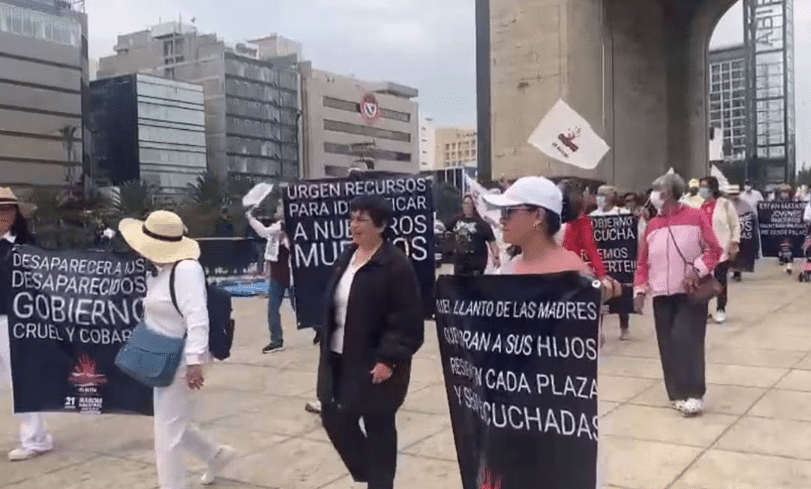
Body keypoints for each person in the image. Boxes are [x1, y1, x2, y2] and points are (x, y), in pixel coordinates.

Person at [119, 210, 236, 489]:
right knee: (172, 421)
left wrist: (195, 361)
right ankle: (216, 454)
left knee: (166, 431)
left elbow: (197, 317)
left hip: (182, 359)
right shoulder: (163, 270)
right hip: (162, 356)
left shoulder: (185, 270)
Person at [317, 196, 424, 489]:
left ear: (382, 225)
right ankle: (370, 475)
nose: (353, 225)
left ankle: (380, 483)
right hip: (338, 356)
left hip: (375, 361)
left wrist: (389, 359)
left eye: (361, 219)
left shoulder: (395, 265)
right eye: (351, 219)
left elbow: (407, 319)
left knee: (379, 426)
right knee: (333, 416)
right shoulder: (346, 257)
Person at [634, 173, 722, 417]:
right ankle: (676, 393)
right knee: (668, 344)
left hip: (689, 293)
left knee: (687, 340)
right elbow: (642, 262)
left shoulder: (695, 217)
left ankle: (694, 393)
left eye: (656, 189)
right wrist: (640, 290)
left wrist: (697, 269)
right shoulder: (652, 225)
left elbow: (714, 249)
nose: (652, 194)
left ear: (669, 193)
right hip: (661, 294)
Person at [0, 188, 55, 462]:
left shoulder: (25, 245)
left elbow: (43, 282)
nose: (2, 217)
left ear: (16, 215)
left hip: (14, 322)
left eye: (7, 211)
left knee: (20, 381)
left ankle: (36, 438)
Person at [246, 204, 293, 353]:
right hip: (276, 277)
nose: (278, 211)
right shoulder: (275, 229)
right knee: (272, 308)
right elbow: (263, 232)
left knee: (299, 309)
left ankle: (320, 330)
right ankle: (276, 340)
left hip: (292, 277)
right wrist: (251, 218)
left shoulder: (296, 230)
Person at [699, 177, 740, 324]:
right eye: (700, 186)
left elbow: (735, 225)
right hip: (703, 251)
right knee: (703, 282)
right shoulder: (698, 205)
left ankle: (720, 309)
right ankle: (703, 311)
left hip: (721, 249)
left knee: (720, 280)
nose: (701, 190)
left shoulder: (725, 204)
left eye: (704, 187)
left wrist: (734, 243)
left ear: (713, 188)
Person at [445, 195, 500, 275]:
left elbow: (492, 242)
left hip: (476, 266)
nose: (466, 206)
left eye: (468, 204)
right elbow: (444, 227)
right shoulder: (457, 220)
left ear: (473, 206)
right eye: (464, 204)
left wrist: (496, 257)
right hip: (459, 265)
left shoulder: (482, 224)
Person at [727, 185, 756, 282]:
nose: (733, 196)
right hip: (727, 232)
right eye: (732, 194)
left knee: (739, 253)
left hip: (741, 232)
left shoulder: (745, 204)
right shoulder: (724, 204)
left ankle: (737, 272)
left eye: (735, 194)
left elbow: (751, 216)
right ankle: (730, 271)